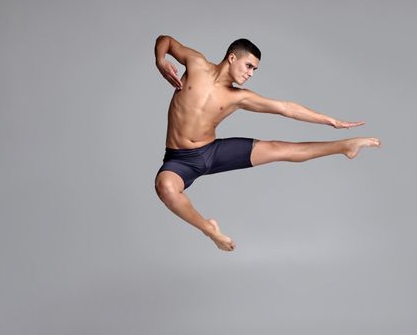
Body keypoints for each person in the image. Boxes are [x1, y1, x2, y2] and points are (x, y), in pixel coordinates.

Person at [154, 35, 380, 252]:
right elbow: (166, 40)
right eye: (249, 66)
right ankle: (209, 229)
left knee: (277, 149)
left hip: (211, 152)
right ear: (232, 57)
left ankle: (344, 146)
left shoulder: (238, 97)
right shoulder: (196, 63)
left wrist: (330, 121)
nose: (251, 73)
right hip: (180, 159)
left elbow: (286, 107)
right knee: (165, 188)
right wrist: (161, 60)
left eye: (254, 69)